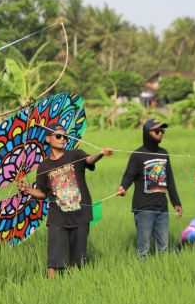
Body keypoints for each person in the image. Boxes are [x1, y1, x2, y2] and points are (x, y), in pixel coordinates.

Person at [17, 125, 113, 279]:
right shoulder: (44, 166)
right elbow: (43, 193)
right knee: (54, 259)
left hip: (80, 214)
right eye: (59, 136)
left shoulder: (75, 154)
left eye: (65, 137)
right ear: (48, 139)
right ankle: (50, 288)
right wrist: (28, 190)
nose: (63, 139)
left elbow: (89, 159)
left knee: (78, 260)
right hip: (58, 217)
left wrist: (100, 153)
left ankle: (74, 287)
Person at [116, 119, 182, 258]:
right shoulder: (138, 155)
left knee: (164, 247)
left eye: (162, 131)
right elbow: (129, 175)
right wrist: (123, 187)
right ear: (147, 133)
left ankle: (163, 272)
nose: (160, 133)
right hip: (144, 208)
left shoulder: (164, 153)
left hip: (162, 208)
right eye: (157, 131)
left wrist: (176, 203)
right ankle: (142, 274)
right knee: (143, 248)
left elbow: (170, 179)